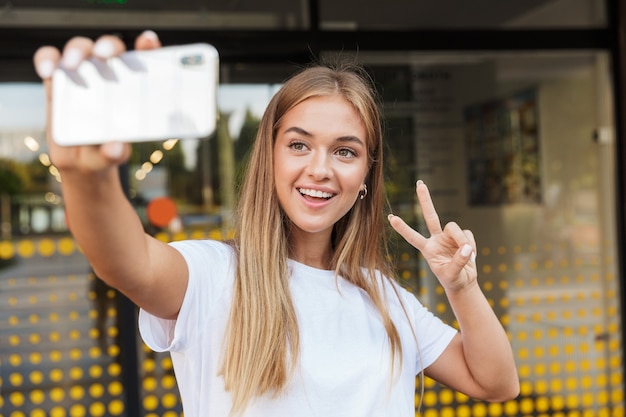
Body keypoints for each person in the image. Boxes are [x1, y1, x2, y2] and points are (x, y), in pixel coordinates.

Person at [33, 30, 519, 416]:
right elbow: (125, 261)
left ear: (366, 175)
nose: (320, 168)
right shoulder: (212, 275)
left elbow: (495, 382)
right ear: (270, 157)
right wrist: (85, 175)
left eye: (345, 151)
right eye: (299, 144)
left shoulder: (387, 298)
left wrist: (461, 286)